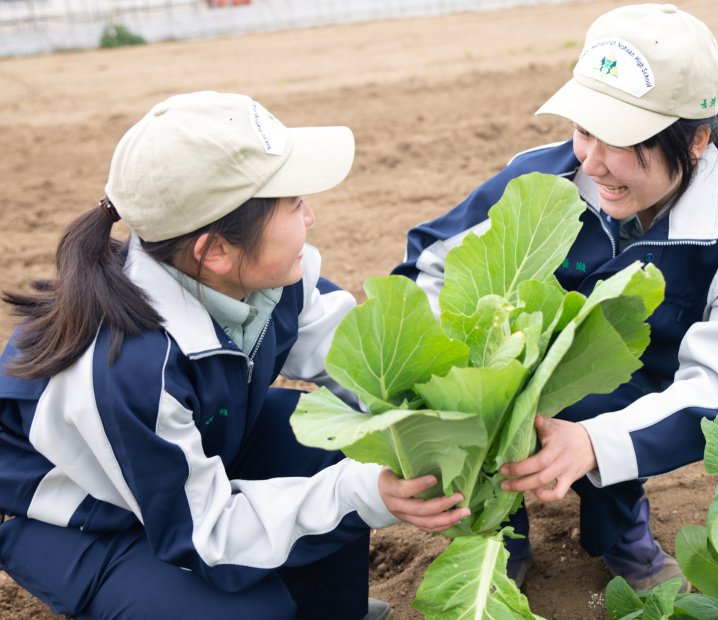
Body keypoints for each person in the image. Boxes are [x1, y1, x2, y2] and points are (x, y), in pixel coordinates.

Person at [393, 3, 718, 592]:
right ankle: (499, 530)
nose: (591, 160)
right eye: (584, 128)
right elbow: (430, 268)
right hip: (523, 375)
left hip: (643, 391)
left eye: (618, 139)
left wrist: (598, 443)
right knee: (477, 373)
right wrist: (448, 375)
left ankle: (618, 531)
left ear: (695, 140)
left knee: (607, 400)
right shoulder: (544, 177)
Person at [0, 91, 469, 620]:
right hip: (82, 520)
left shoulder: (265, 279)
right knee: (247, 610)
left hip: (188, 450)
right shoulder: (127, 369)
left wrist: (453, 415)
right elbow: (208, 534)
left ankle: (330, 612)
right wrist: (361, 495)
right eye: (293, 204)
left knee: (345, 437)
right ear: (215, 250)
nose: (310, 214)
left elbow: (357, 361)